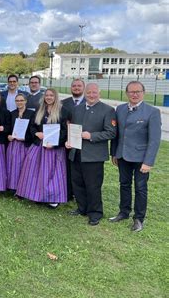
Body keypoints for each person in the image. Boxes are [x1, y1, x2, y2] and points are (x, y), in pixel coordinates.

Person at [109, 81, 162, 232]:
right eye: (131, 92)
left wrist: (148, 161)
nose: (134, 94)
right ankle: (123, 212)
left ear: (143, 93)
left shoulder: (152, 112)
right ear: (127, 93)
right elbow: (116, 134)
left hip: (141, 158)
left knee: (140, 188)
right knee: (124, 185)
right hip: (123, 156)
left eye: (138, 91)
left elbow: (154, 140)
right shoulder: (119, 109)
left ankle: (139, 219)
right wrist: (114, 153)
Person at [66, 83, 116, 226]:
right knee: (77, 183)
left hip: (93, 155)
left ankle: (95, 213)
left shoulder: (108, 110)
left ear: (99, 93)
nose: (91, 95)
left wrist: (91, 136)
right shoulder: (77, 109)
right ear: (85, 93)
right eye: (89, 93)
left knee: (93, 185)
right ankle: (82, 208)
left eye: (94, 92)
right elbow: (73, 128)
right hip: (76, 152)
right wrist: (69, 141)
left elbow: (111, 132)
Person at [16, 88, 69, 208]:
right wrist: (36, 133)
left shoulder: (63, 111)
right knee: (35, 169)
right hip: (39, 144)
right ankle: (37, 195)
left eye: (51, 95)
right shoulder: (39, 110)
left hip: (54, 147)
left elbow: (65, 131)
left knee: (52, 173)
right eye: (47, 95)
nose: (49, 97)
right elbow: (32, 126)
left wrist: (56, 143)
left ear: (55, 97)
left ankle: (53, 198)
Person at [61, 78, 86, 201]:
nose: (76, 88)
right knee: (68, 167)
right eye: (74, 86)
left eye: (79, 86)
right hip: (67, 142)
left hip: (84, 142)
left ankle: (81, 193)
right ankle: (68, 192)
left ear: (83, 88)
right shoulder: (63, 103)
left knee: (81, 169)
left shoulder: (90, 102)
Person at [5, 93, 35, 193]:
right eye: (17, 101)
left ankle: (22, 188)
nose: (19, 102)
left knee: (23, 166)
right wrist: (8, 135)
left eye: (21, 100)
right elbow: (8, 128)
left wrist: (25, 138)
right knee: (12, 165)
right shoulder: (12, 113)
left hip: (25, 144)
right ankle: (12, 187)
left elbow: (33, 130)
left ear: (25, 101)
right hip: (13, 144)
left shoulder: (31, 114)